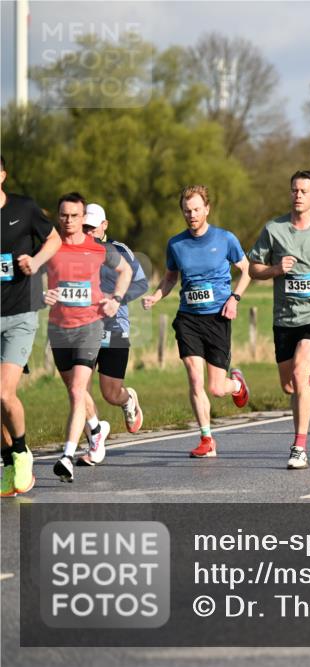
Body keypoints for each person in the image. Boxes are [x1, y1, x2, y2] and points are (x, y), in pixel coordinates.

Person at [248, 171, 310, 469]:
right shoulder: (274, 229)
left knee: (298, 373)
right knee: (290, 386)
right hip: (284, 316)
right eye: (294, 190)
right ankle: (309, 378)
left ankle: (299, 447)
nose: (298, 195)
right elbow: (254, 268)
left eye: (304, 191)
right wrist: (276, 269)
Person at [142, 185, 251, 458]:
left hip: (217, 317)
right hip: (188, 317)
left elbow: (247, 270)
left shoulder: (225, 239)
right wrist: (157, 296)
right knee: (193, 375)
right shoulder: (176, 244)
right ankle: (206, 438)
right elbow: (170, 277)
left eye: (196, 210)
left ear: (207, 209)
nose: (191, 215)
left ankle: (236, 385)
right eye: (187, 211)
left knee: (216, 387)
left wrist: (235, 298)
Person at [46, 193, 133, 482]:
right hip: (59, 329)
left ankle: (67, 456)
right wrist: (41, 293)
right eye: (64, 215)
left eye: (74, 215)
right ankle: (96, 428)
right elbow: (29, 276)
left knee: (76, 391)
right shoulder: (50, 247)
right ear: (58, 216)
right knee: (75, 389)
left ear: (83, 218)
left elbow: (126, 270)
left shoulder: (97, 249)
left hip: (90, 328)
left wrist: (116, 299)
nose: (69, 220)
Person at [1, 156, 61, 496]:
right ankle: (7, 461)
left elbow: (53, 240)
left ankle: (21, 450)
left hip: (19, 315)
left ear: (3, 175)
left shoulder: (23, 208)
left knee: (3, 393)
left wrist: (35, 261)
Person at [76, 204, 148, 467]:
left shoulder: (119, 251)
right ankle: (94, 441)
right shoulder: (76, 251)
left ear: (105, 225)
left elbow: (141, 283)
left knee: (110, 393)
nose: (89, 232)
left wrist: (115, 299)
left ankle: (128, 400)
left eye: (93, 227)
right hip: (83, 329)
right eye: (85, 228)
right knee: (78, 389)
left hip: (115, 328)